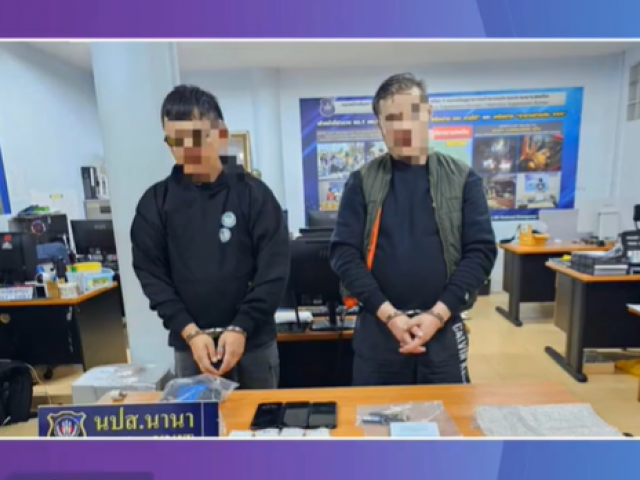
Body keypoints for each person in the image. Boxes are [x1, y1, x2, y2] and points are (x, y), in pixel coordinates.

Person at [329, 73, 497, 386]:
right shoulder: (362, 182)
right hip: (378, 330)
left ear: (428, 114)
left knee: (448, 414)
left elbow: (481, 252)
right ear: (380, 125)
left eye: (412, 114)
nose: (404, 127)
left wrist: (437, 315)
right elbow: (344, 255)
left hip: (443, 330)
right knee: (375, 415)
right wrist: (390, 315)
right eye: (392, 119)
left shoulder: (462, 179)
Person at [131, 85, 289, 389]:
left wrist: (242, 326)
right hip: (192, 346)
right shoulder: (156, 202)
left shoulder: (255, 195)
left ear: (220, 134)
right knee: (196, 418)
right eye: (174, 141)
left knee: (259, 418)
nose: (185, 150)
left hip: (253, 344)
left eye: (194, 138)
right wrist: (189, 331)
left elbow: (274, 271)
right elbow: (151, 276)